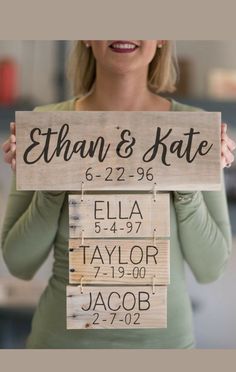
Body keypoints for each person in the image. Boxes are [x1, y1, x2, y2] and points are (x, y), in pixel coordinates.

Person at [1, 40, 235, 349]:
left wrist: (188, 186)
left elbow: (211, 268)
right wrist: (50, 186)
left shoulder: (190, 131)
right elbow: (19, 263)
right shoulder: (50, 128)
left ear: (161, 37)